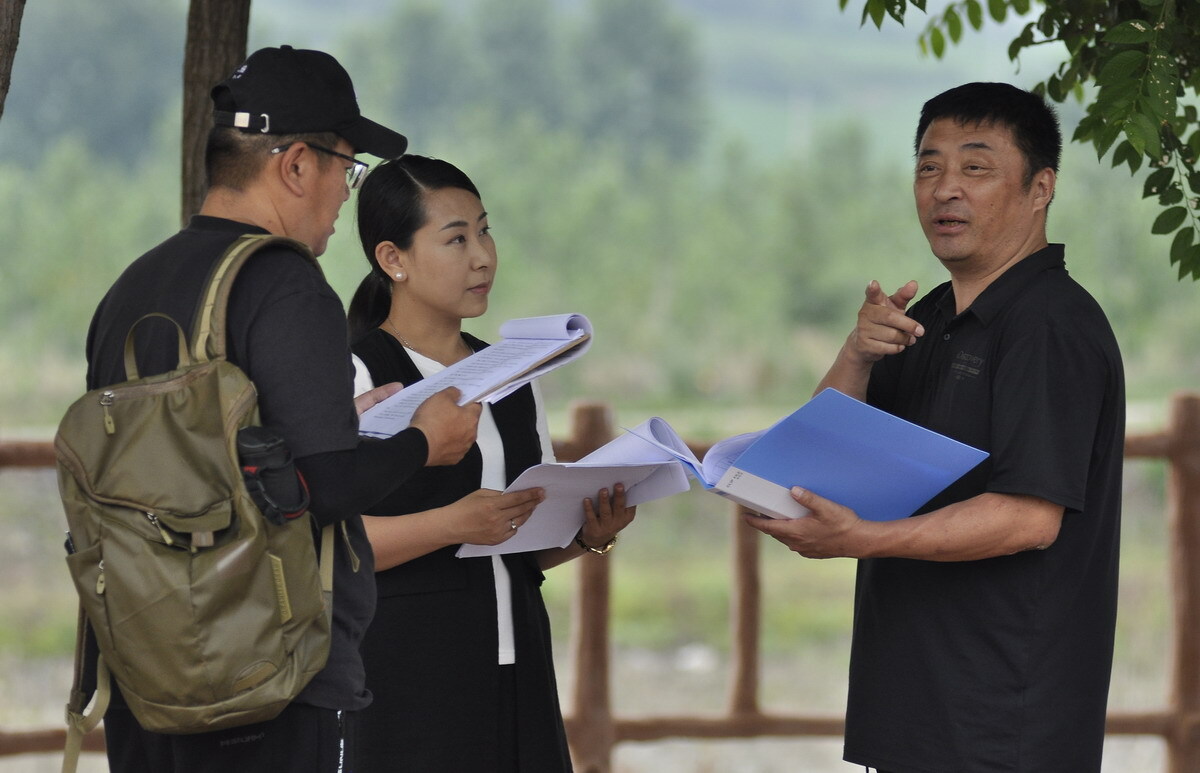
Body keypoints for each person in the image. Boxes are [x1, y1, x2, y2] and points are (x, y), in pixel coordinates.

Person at [84, 47, 480, 772]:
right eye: (346, 167)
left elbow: (208, 453)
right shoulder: (285, 284)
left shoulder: (134, 286)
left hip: (145, 665)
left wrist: (340, 421)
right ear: (297, 164)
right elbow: (327, 487)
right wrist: (426, 440)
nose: (343, 195)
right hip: (263, 679)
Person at [745, 82, 1124, 772]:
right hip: (914, 710)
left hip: (1002, 724)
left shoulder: (1049, 323)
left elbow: (1028, 517)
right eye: (928, 166)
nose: (945, 188)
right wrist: (856, 353)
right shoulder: (934, 316)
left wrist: (863, 538)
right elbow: (814, 456)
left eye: (975, 168)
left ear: (1040, 188)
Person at [346, 154, 637, 772]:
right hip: (401, 675)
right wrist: (453, 523)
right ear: (392, 259)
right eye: (455, 239)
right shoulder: (360, 376)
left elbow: (515, 543)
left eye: (485, 230)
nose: (482, 256)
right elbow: (327, 545)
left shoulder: (513, 374)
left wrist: (587, 534)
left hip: (516, 661)